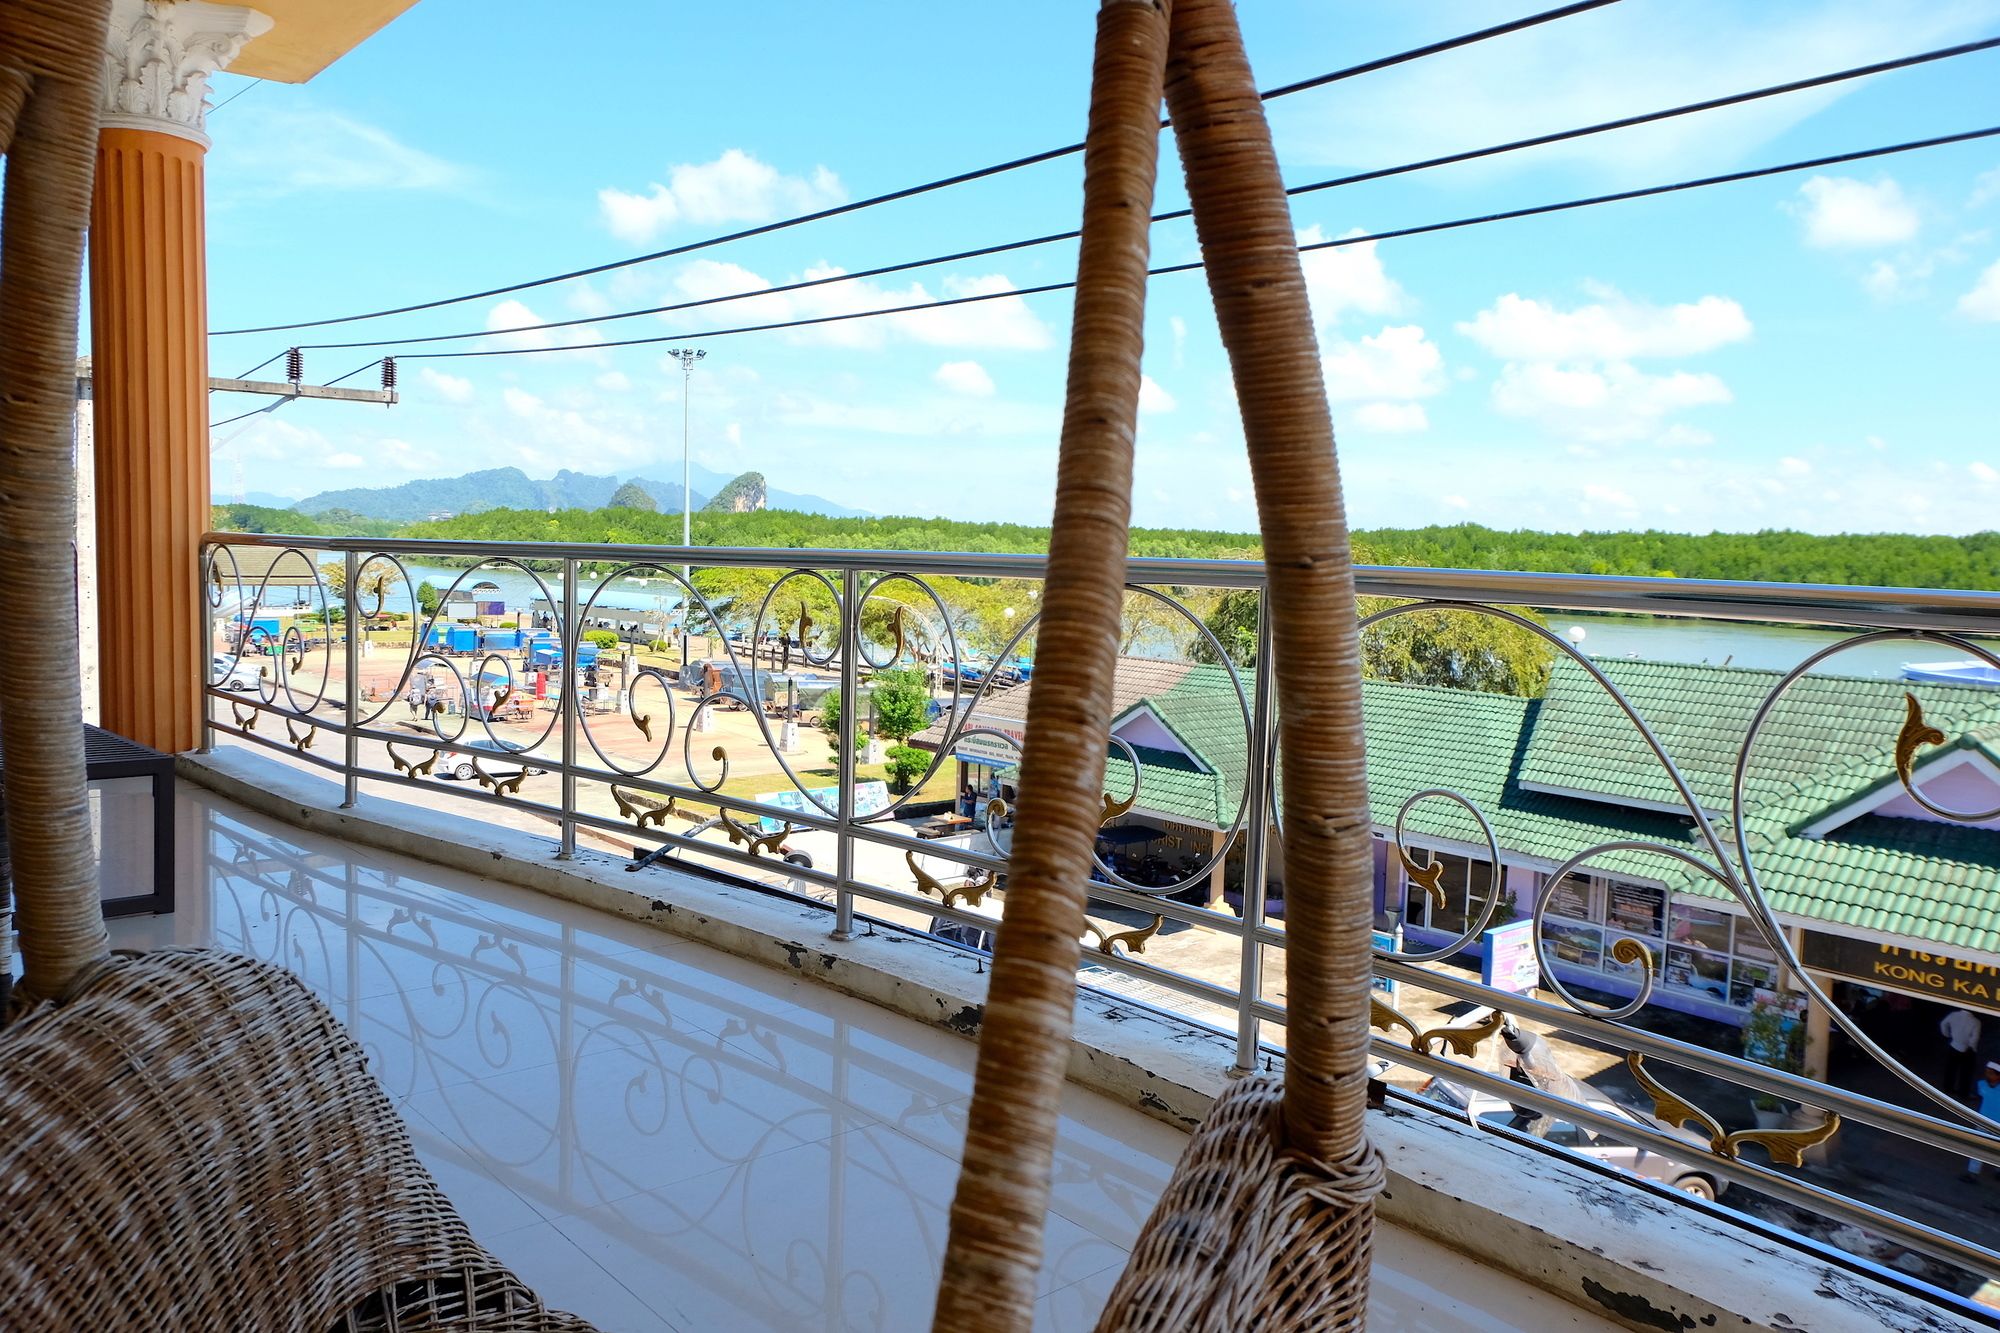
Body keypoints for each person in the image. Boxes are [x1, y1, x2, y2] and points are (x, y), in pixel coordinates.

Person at [1962, 1062, 2000, 1182]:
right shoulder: (1981, 1084)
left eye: (1990, 1073)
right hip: (1983, 1122)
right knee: (1978, 1147)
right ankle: (1973, 1172)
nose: (1987, 1075)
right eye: (1987, 1072)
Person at [1943, 1008, 1983, 1100]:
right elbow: (1975, 1038)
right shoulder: (1976, 1022)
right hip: (1967, 1049)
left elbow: (1943, 1024)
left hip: (1953, 1045)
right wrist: (1971, 1047)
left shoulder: (1953, 1014)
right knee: (1966, 1073)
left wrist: (1947, 1034)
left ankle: (1948, 1088)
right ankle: (1963, 1093)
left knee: (1950, 1069)